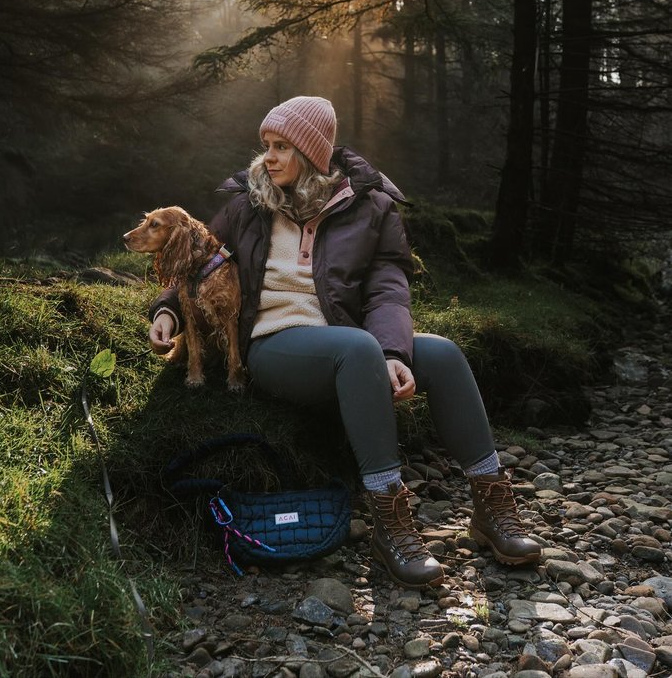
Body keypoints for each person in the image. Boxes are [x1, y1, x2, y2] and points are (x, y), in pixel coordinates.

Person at [149, 95, 541, 589]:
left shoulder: (371, 207)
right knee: (357, 349)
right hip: (274, 342)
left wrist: (395, 354)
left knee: (442, 352)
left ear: (313, 153)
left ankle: (492, 509)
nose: (267, 157)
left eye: (281, 147)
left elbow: (387, 289)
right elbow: (197, 259)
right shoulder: (247, 203)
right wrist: (166, 311)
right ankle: (391, 524)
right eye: (266, 145)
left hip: (348, 337)